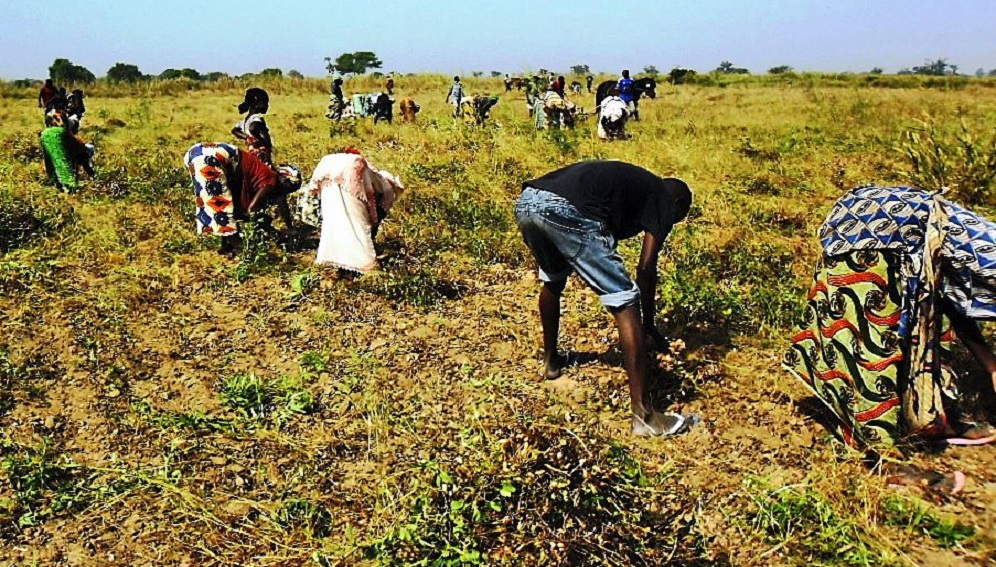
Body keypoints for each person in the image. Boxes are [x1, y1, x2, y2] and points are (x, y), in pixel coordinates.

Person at [784, 185, 996, 449]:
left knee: (926, 330)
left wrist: (991, 367)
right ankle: (879, 454)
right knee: (871, 344)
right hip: (874, 230)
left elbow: (951, 300)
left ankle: (926, 418)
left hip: (894, 228)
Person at [515, 161, 695, 436]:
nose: (669, 224)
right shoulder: (663, 196)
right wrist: (647, 324)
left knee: (553, 278)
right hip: (565, 209)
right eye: (676, 217)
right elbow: (646, 269)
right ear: (678, 203)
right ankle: (645, 417)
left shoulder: (635, 186)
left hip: (528, 200)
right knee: (624, 300)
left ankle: (551, 362)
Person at [183, 142, 301, 255]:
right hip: (209, 158)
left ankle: (227, 247)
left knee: (227, 204)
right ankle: (242, 251)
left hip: (195, 152)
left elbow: (239, 205)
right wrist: (267, 227)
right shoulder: (270, 181)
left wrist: (289, 227)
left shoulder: (264, 173)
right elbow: (252, 210)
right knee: (221, 206)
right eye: (289, 189)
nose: (285, 193)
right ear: (284, 180)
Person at [296, 149, 404, 273]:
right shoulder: (385, 186)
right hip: (351, 191)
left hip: (330, 189)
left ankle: (334, 261)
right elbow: (378, 212)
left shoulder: (333, 162)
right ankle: (365, 264)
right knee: (358, 228)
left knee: (334, 225)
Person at [40, 115, 94, 193]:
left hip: (53, 166)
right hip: (74, 154)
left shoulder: (44, 133)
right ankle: (70, 188)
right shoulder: (63, 132)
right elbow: (75, 146)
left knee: (53, 164)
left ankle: (56, 184)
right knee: (67, 166)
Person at [232, 88, 273, 165]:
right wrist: (262, 140)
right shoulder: (257, 118)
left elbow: (234, 130)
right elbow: (253, 127)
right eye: (265, 103)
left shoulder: (246, 120)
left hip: (252, 153)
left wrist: (247, 138)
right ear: (256, 103)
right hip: (261, 154)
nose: (267, 106)